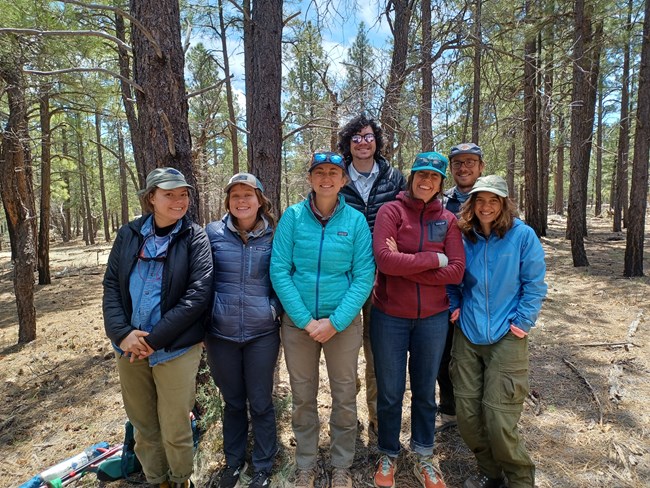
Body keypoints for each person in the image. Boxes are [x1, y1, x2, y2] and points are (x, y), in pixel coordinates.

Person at [270, 151, 375, 488]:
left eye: (334, 172)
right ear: (310, 178)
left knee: (344, 394)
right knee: (303, 395)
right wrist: (304, 319)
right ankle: (306, 463)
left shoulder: (355, 221)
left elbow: (363, 276)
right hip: (298, 325)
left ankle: (342, 463)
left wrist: (336, 321)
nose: (326, 178)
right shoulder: (293, 217)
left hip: (342, 325)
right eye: (319, 172)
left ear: (344, 180)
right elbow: (280, 270)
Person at [103, 167, 213, 488]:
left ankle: (181, 481)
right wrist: (121, 334)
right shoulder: (129, 235)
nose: (179, 201)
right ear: (151, 198)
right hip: (128, 347)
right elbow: (112, 285)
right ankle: (158, 480)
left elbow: (198, 294)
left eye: (183, 194)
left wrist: (154, 339)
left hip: (175, 348)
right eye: (169, 194)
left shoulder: (195, 237)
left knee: (175, 426)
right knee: (144, 427)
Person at [371, 153, 465, 488]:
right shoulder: (391, 212)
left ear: (441, 183)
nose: (426, 181)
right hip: (389, 317)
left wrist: (407, 264)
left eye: (435, 177)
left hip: (433, 320)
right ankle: (388, 452)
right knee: (391, 392)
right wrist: (431, 260)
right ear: (411, 178)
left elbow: (455, 269)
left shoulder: (448, 221)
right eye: (421, 174)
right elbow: (384, 261)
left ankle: (424, 455)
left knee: (425, 391)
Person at [447, 175, 547, 488]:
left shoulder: (523, 235)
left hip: (507, 334)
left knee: (499, 416)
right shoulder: (463, 236)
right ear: (472, 204)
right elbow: (452, 276)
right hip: (468, 332)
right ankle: (490, 473)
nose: (486, 207)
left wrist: (522, 322)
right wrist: (454, 304)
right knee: (466, 413)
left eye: (493, 200)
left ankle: (519, 480)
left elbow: (534, 284)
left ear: (504, 203)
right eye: (480, 200)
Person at [205, 173, 281, 488]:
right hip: (220, 334)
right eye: (235, 195)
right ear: (228, 201)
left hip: (261, 333)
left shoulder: (274, 235)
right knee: (233, 402)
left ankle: (263, 465)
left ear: (260, 199)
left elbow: (284, 276)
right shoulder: (212, 233)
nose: (241, 200)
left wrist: (272, 309)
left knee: (261, 401)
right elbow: (200, 280)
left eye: (248, 194)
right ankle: (233, 463)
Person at [337, 114, 406, 435]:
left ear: (377, 140)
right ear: (347, 145)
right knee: (345, 351)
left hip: (385, 277)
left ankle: (380, 420)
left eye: (368, 136)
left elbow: (409, 217)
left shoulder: (394, 179)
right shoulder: (336, 178)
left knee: (378, 350)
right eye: (356, 138)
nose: (363, 142)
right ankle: (347, 419)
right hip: (346, 277)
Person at [437, 142, 486, 432]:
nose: (463, 168)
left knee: (477, 357)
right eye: (457, 163)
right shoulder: (442, 203)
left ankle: (479, 414)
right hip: (445, 292)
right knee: (443, 355)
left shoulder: (492, 200)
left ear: (481, 166)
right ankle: (450, 412)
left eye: (470, 162)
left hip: (481, 294)